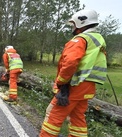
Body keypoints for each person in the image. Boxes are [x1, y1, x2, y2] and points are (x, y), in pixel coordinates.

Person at [39, 9, 107, 137]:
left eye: (73, 24)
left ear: (81, 22)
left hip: (74, 85)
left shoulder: (80, 39)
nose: (72, 27)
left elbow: (70, 62)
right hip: (88, 86)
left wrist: (61, 82)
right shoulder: (97, 40)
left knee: (53, 114)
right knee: (77, 117)